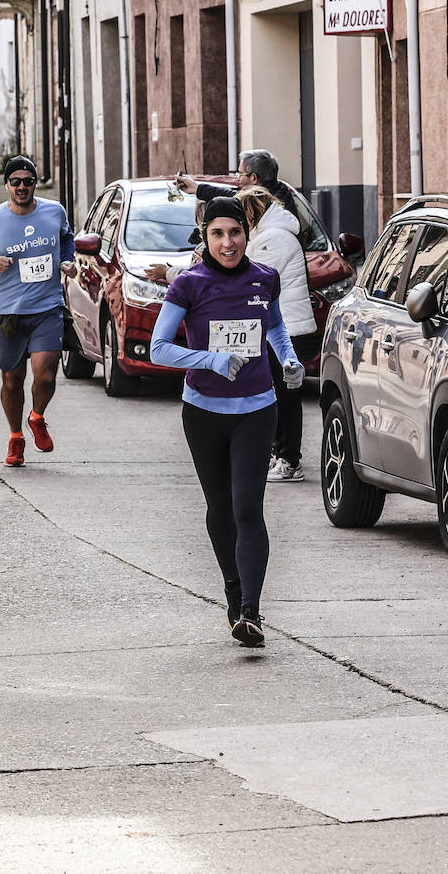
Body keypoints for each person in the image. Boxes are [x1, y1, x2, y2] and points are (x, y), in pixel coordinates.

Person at [149, 197, 305, 648]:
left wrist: (289, 359)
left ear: (246, 233)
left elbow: (273, 325)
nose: (228, 242)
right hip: (203, 413)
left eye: (234, 232)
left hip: (257, 409)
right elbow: (160, 348)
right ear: (206, 237)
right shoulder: (190, 285)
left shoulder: (265, 278)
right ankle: (234, 591)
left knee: (247, 509)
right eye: (217, 234)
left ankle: (252, 612)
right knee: (220, 509)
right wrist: (212, 360)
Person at [0, 155, 75, 468]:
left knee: (46, 373)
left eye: (28, 181)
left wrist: (66, 260)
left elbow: (66, 237)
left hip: (47, 306)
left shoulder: (54, 211)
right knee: (12, 380)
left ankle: (37, 417)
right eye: (16, 182)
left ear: (35, 183)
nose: (23, 186)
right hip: (9, 313)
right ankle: (16, 437)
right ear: (7, 185)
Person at [231, 185, 317, 483]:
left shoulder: (274, 238)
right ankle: (280, 454)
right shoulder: (268, 234)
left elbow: (255, 279)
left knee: (286, 397)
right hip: (277, 328)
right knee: (277, 395)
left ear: (251, 214)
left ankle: (290, 460)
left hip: (288, 329)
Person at [174, 148, 299, 214]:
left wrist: (197, 189)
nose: (237, 178)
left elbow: (237, 198)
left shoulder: (265, 203)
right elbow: (233, 195)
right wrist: (197, 189)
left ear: (254, 178)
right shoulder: (279, 189)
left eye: (240, 173)